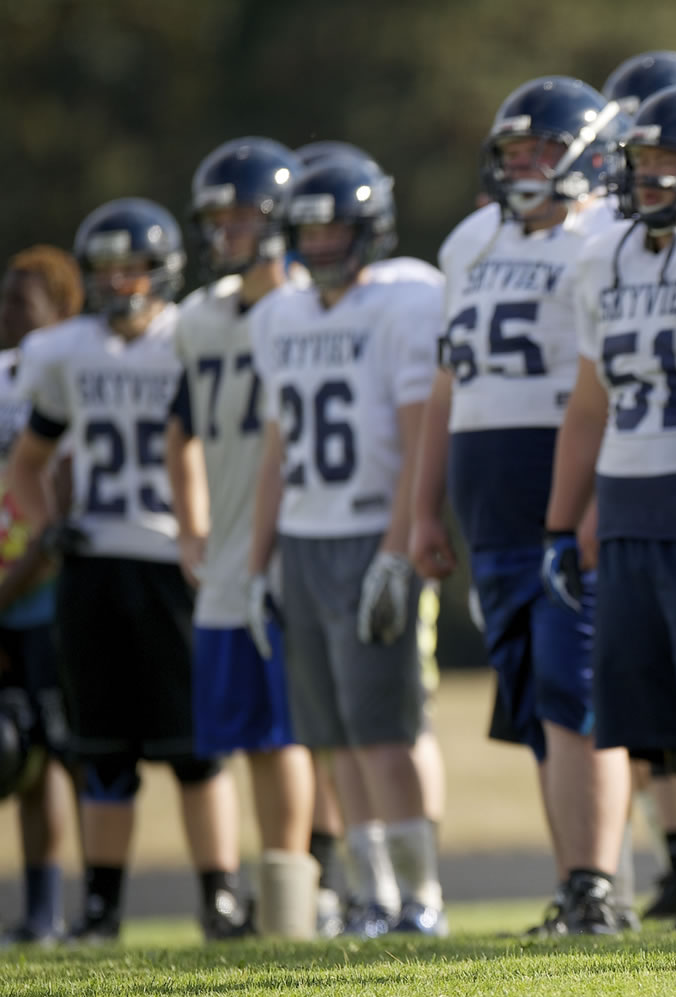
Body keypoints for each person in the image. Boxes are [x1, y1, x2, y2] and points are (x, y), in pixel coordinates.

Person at [409, 74, 633, 936]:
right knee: (545, 712)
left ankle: (598, 886)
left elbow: (613, 387)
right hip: (490, 506)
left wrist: (593, 497)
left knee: (581, 702)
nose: (526, 165)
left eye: (543, 148)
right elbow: (446, 386)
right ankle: (581, 885)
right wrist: (426, 511)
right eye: (514, 151)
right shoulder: (469, 240)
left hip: (565, 489)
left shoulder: (605, 239)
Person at [544, 84, 676, 935]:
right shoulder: (604, 257)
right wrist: (564, 524)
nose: (653, 179)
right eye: (643, 164)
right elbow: (589, 404)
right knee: (675, 727)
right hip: (631, 498)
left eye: (671, 162)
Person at [9, 199, 250, 942]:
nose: (120, 285)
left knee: (196, 750)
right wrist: (49, 530)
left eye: (133, 269)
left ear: (163, 272)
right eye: (107, 272)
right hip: (94, 569)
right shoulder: (66, 351)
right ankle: (102, 908)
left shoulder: (191, 335)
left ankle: (220, 897)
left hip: (175, 563)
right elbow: (29, 464)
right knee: (102, 751)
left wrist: (207, 530)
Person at [248, 157, 447, 937]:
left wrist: (397, 552)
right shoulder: (278, 316)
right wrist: (254, 564)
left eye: (335, 227)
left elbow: (413, 442)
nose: (322, 243)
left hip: (370, 532)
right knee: (331, 737)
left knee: (384, 731)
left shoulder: (401, 301)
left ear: (369, 230)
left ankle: (422, 899)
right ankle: (372, 897)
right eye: (309, 229)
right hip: (302, 538)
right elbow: (275, 451)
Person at [167, 136, 320, 935]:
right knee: (254, 738)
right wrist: (189, 528)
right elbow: (178, 429)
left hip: (301, 540)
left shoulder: (306, 308)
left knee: (301, 730)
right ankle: (274, 894)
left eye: (241, 213)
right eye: (216, 215)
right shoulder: (198, 315)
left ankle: (301, 894)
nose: (226, 229)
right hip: (227, 548)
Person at [0, 245, 82, 946]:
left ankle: (68, 910)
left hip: (45, 598)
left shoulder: (70, 374)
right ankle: (38, 912)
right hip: (3, 595)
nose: (7, 315)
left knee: (55, 756)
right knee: (14, 757)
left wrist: (20, 575)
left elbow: (66, 494)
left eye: (23, 304)